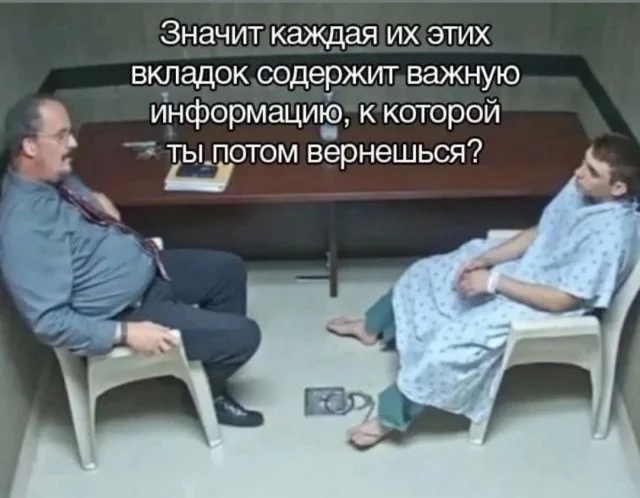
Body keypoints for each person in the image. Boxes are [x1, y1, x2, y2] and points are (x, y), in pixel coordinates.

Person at [326, 132, 640, 449]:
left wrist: (492, 282)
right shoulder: (582, 189)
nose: (578, 172)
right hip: (529, 267)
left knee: (453, 341)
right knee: (429, 273)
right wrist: (486, 260)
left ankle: (389, 417)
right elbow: (542, 232)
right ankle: (373, 326)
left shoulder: (613, 235)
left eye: (591, 171)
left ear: (618, 188)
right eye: (583, 163)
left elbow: (565, 299)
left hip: (550, 303)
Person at [0, 93, 264, 427]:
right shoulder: (23, 227)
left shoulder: (51, 176)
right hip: (125, 311)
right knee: (245, 336)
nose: (73, 143)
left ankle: (206, 375)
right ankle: (202, 392)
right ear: (30, 147)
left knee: (229, 270)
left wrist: (97, 200)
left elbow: (84, 202)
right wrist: (125, 333)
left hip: (148, 270)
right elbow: (50, 322)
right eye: (62, 135)